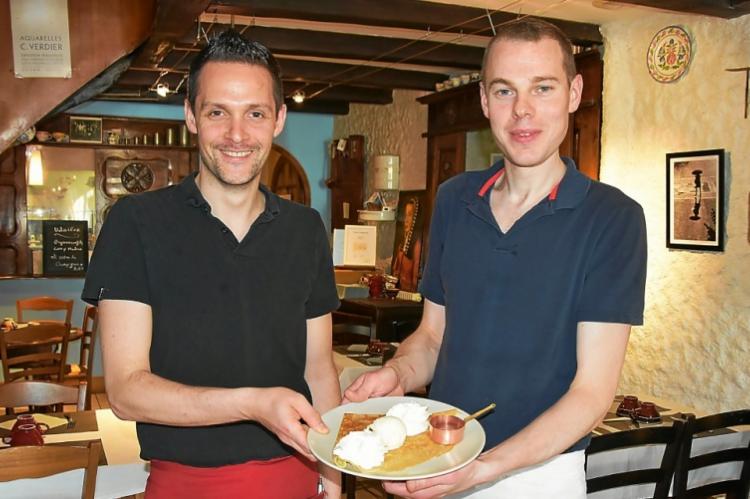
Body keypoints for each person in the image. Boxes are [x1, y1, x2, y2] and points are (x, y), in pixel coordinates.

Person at [343, 18, 647, 498]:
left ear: (574, 92)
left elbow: (591, 395)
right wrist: (397, 373)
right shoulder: (453, 199)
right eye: (505, 92)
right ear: (484, 100)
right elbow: (432, 335)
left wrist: (485, 469)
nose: (522, 111)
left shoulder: (613, 219)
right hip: (442, 456)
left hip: (540, 475)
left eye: (542, 88)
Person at [82, 30, 341, 499]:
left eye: (255, 113)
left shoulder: (306, 229)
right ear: (191, 117)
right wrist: (253, 404)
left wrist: (335, 473)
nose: (237, 134)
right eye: (217, 112)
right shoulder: (135, 224)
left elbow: (319, 368)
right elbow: (125, 392)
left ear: (279, 119)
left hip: (297, 477)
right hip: (185, 483)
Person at [391, 196, 423, 292]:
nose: (406, 220)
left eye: (410, 215)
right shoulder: (402, 242)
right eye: (405, 215)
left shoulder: (417, 244)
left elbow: (415, 279)